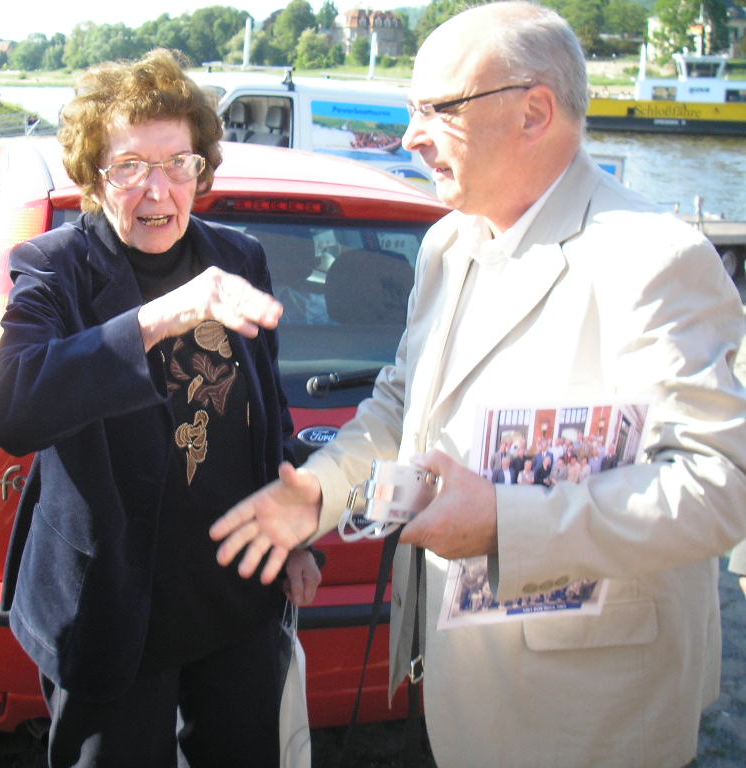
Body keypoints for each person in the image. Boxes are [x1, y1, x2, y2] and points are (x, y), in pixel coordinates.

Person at [210, 4, 746, 768]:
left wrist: (503, 522)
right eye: (411, 110)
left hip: (590, 715)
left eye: (439, 110)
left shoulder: (652, 258)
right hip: (460, 684)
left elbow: (721, 486)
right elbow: (402, 403)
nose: (410, 137)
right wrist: (317, 493)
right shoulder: (448, 243)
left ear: (535, 113)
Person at [0, 48, 320, 768]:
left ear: (201, 169)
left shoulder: (239, 257)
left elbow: (266, 417)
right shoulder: (55, 267)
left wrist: (295, 535)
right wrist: (159, 319)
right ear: (95, 177)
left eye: (177, 164)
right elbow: (7, 406)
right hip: (114, 610)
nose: (157, 189)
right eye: (130, 167)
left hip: (235, 595)